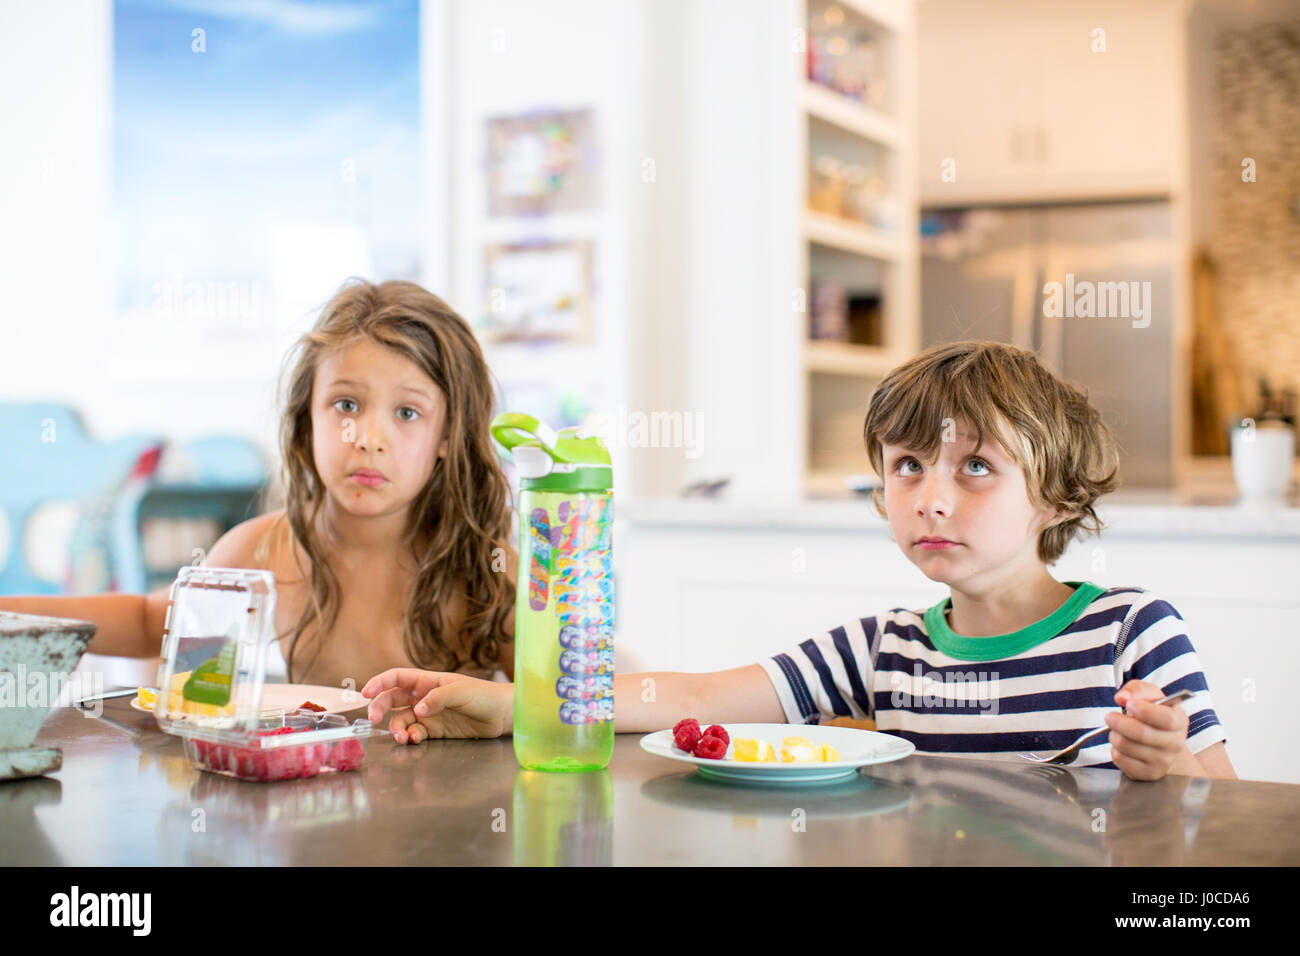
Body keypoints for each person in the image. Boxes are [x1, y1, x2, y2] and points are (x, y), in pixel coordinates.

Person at [362, 340, 1235, 781]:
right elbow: (695, 698)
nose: (931, 495)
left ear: (1051, 494)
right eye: (906, 466)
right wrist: (514, 703)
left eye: (976, 466)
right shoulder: (882, 648)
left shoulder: (1133, 631)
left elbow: (1221, 837)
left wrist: (1176, 769)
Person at [1, 279, 517, 689]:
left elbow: (584, 704)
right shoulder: (266, 550)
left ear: (448, 434)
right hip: (315, 815)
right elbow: (146, 622)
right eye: (346, 405)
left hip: (446, 820)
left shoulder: (485, 572)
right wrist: (11, 613)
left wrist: (500, 707)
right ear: (306, 417)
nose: (367, 437)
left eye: (407, 412)